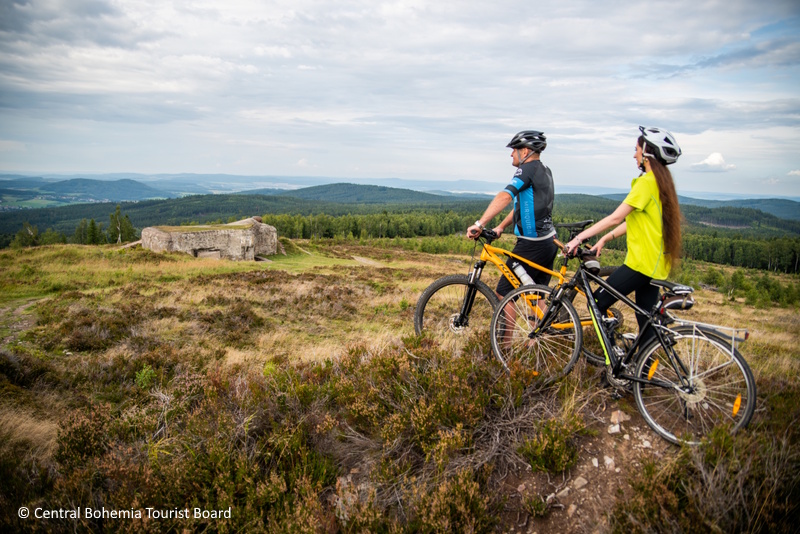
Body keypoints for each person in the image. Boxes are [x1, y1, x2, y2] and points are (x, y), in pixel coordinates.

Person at [565, 126, 683, 345]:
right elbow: (634, 221)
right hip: (655, 264)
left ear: (647, 153)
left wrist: (578, 239)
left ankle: (613, 362)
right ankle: (642, 372)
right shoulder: (660, 182)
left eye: (636, 149)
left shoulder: (646, 183)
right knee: (645, 320)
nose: (634, 154)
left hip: (641, 264)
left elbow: (615, 218)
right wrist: (605, 239)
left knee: (597, 301)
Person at [467, 130, 558, 298]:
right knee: (536, 295)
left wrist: (480, 224)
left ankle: (502, 326)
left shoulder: (527, 169)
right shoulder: (545, 170)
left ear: (524, 151)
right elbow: (523, 206)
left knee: (504, 293)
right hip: (549, 241)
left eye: (514, 149)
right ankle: (543, 325)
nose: (511, 154)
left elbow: (506, 196)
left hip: (532, 243)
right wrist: (501, 226)